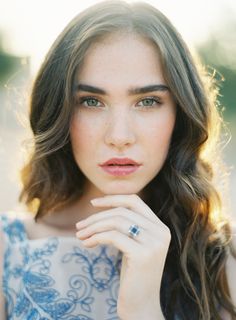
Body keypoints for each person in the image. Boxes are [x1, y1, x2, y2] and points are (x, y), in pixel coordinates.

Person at [0, 0, 235, 319]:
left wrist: (142, 309)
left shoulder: (223, 264)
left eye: (148, 101)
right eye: (91, 102)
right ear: (58, 111)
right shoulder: (7, 253)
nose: (119, 135)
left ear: (179, 113)